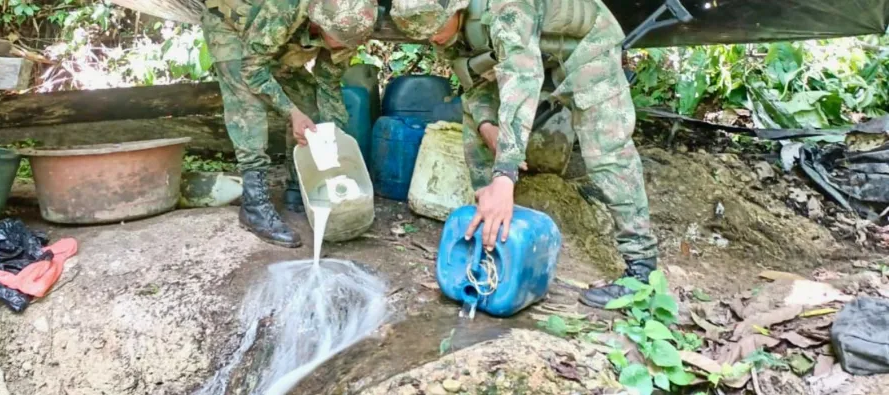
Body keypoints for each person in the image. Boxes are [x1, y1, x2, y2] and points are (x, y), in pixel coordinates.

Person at [390, 0, 660, 308]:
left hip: (588, 48)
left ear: (456, 9)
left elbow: (522, 81)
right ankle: (488, 224)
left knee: (607, 151)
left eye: (435, 28)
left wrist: (505, 173)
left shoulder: (507, 8)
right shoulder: (442, 29)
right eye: (423, 34)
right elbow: (474, 83)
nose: (431, 38)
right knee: (474, 118)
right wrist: (487, 125)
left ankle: (641, 271)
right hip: (537, 49)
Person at [202, 0, 379, 248]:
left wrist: (334, 136)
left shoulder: (351, 25)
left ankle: (299, 185)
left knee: (305, 94)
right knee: (248, 105)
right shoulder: (286, 8)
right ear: (319, 22)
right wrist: (291, 113)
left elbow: (327, 83)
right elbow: (252, 69)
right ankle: (254, 204)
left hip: (268, 37)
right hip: (231, 23)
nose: (342, 46)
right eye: (337, 39)